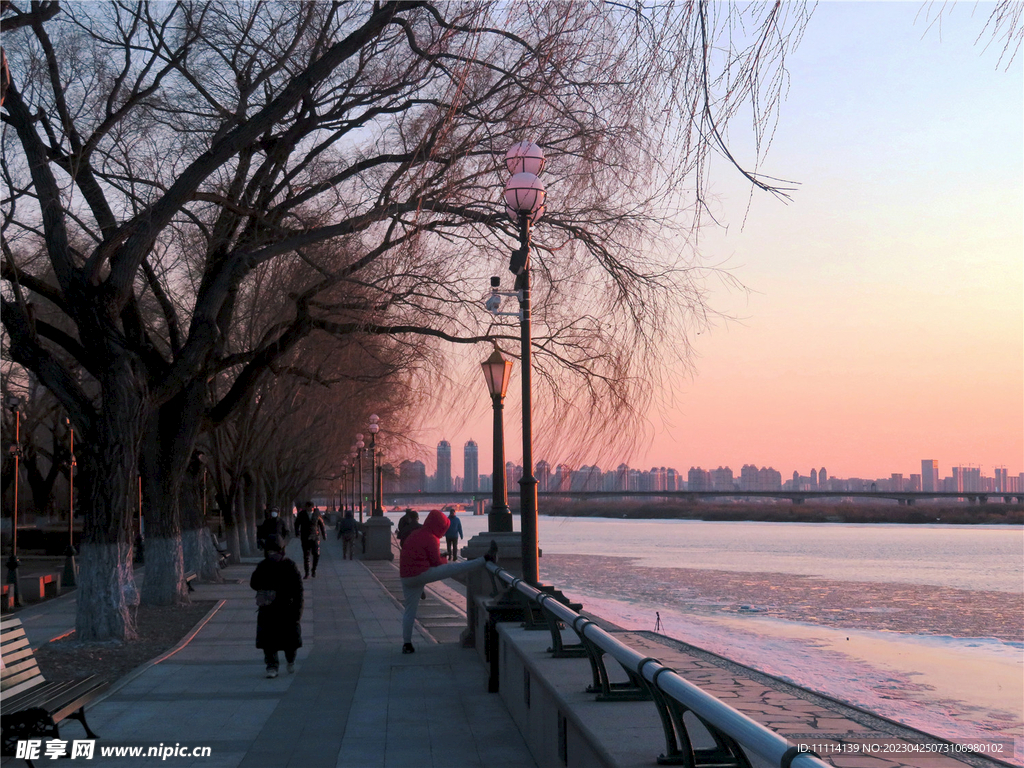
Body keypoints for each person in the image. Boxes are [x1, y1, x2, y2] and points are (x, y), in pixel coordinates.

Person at [398, 509, 497, 654]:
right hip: (421, 574)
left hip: (406, 577)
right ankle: (485, 559)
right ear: (439, 526)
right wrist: (444, 559)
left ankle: (407, 644)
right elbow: (437, 563)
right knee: (456, 568)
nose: (444, 532)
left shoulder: (417, 533)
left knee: (409, 611)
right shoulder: (431, 538)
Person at [249, 535, 303, 678]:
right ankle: (282, 663)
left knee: (274, 641)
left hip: (276, 609)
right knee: (281, 640)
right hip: (280, 609)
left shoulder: (270, 565)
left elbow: (253, 584)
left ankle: (277, 665)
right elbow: (298, 591)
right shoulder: (284, 565)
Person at [294, 500, 327, 578]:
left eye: (310, 508)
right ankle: (307, 573)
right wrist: (297, 533)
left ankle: (314, 569)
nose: (309, 509)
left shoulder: (317, 514)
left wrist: (324, 535)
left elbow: (322, 525)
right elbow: (297, 524)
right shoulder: (301, 514)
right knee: (306, 555)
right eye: (307, 508)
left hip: (315, 536)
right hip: (305, 537)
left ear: (313, 507)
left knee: (316, 554)